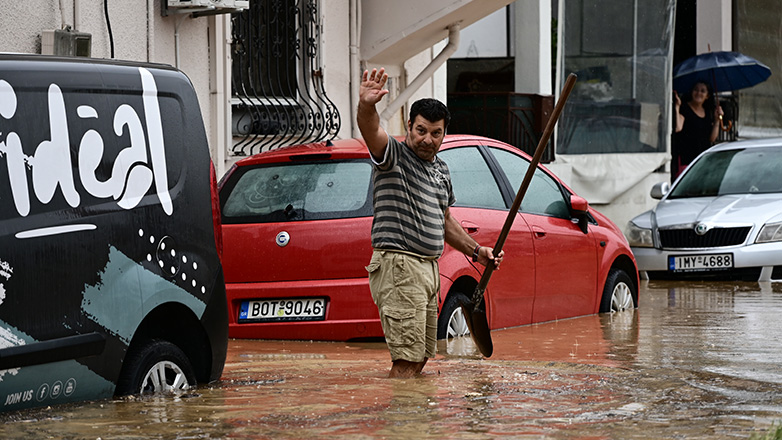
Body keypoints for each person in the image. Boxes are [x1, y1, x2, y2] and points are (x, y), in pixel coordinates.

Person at [357, 67, 504, 378]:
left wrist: (478, 251)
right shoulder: (392, 155)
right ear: (409, 126)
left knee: (422, 357)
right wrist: (367, 106)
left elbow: (445, 220)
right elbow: (371, 130)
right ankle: (401, 423)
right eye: (421, 130)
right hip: (399, 266)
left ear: (444, 133)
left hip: (428, 269)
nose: (427, 139)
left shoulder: (442, 170)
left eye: (435, 133)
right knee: (406, 361)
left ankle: (417, 423)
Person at [672, 81, 725, 179]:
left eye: (703, 91)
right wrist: (677, 106)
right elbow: (678, 127)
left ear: (707, 96)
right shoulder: (684, 108)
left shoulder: (708, 112)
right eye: (696, 90)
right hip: (686, 160)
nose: (698, 93)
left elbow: (712, 138)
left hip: (702, 160)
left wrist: (717, 120)